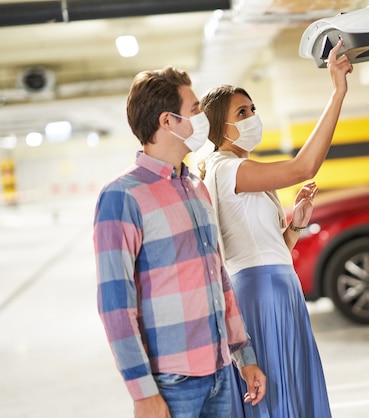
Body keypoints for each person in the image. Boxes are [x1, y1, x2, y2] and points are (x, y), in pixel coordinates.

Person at [93, 66, 266, 418]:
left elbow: (219, 280)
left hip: (219, 372)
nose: (202, 117)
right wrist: (142, 393)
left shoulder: (196, 187)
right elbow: (115, 306)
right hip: (170, 382)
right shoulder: (121, 197)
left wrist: (243, 357)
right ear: (167, 122)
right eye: (195, 109)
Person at [198, 40, 353, 417]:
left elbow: (268, 247)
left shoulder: (241, 169)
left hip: (278, 288)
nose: (253, 116)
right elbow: (304, 167)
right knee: (278, 394)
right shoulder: (229, 168)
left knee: (291, 390)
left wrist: (295, 225)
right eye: (242, 111)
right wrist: (337, 92)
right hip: (262, 294)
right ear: (220, 126)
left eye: (253, 108)